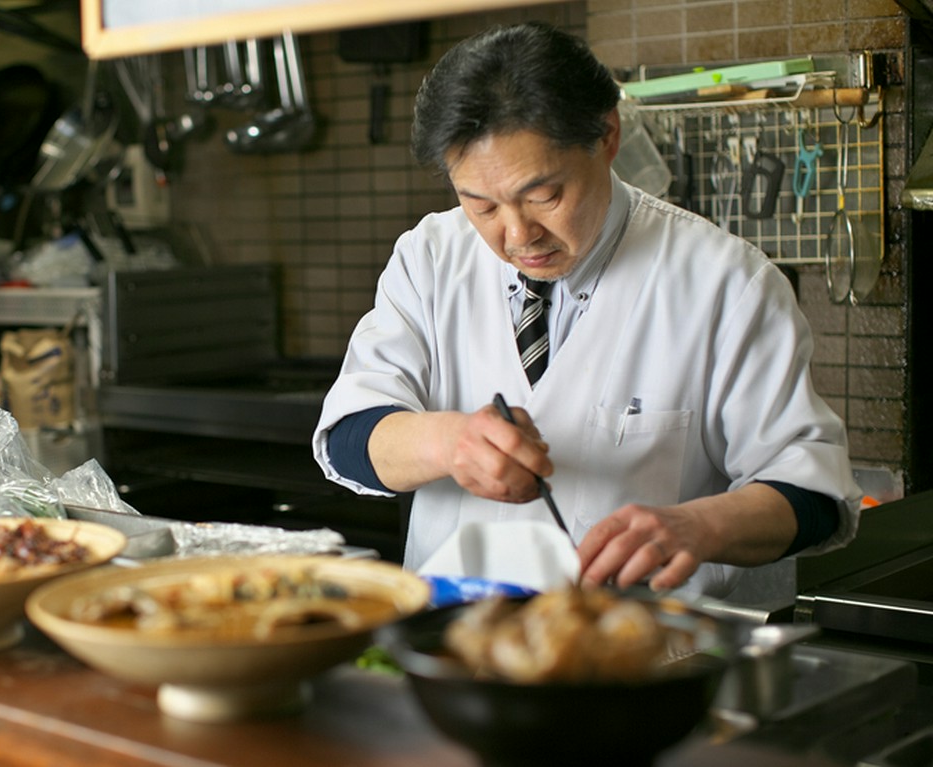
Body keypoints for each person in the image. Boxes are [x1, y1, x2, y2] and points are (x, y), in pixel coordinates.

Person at [311, 21, 861, 598]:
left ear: (607, 136)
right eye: (481, 205)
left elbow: (814, 496)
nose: (517, 234)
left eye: (544, 196)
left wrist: (699, 525)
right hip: (451, 649)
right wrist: (449, 443)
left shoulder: (725, 282)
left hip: (642, 655)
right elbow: (349, 438)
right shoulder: (429, 257)